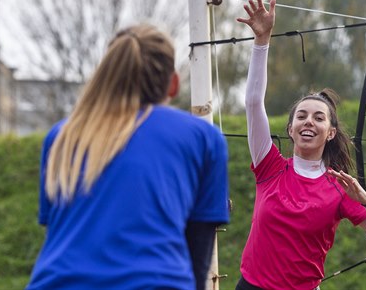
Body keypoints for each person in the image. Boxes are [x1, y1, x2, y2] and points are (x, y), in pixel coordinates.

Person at [25, 24, 230, 290]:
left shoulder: (62, 136)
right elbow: (198, 259)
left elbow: (60, 237)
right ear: (174, 83)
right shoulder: (203, 138)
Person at [235, 0, 366, 290]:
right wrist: (262, 40)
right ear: (290, 129)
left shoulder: (339, 188)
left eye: (318, 117)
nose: (308, 122)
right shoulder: (270, 166)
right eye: (301, 116)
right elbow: (252, 102)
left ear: (330, 132)